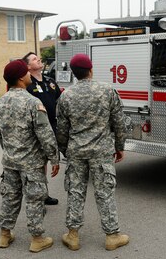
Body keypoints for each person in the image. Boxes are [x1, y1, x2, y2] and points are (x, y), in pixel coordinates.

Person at [56, 53, 129, 251]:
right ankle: (112, 235)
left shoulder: (66, 95)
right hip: (101, 151)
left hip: (76, 152)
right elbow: (119, 122)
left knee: (75, 191)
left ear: (73, 74)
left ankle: (72, 235)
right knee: (104, 192)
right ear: (90, 70)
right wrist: (119, 146)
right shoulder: (107, 90)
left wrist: (64, 149)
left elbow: (61, 129)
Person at [0, 59, 60, 252]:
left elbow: (0, 134)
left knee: (10, 197)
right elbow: (45, 133)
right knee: (34, 199)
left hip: (10, 160)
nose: (30, 75)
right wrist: (54, 158)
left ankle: (4, 235)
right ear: (21, 78)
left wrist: (9, 152)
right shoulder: (33, 102)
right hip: (31, 163)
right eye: (26, 73)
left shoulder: (0, 102)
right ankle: (37, 238)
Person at [22, 52, 61, 206]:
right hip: (35, 128)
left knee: (44, 159)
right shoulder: (26, 84)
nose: (38, 59)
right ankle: (35, 193)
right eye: (34, 59)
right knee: (37, 162)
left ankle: (43, 193)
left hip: (52, 125)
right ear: (28, 66)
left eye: (38, 57)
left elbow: (59, 100)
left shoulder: (49, 81)